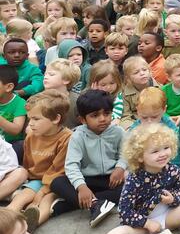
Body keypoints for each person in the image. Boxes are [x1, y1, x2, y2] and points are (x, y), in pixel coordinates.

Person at [103, 124, 180, 234]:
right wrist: (147, 223)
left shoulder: (173, 170)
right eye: (155, 151)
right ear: (139, 156)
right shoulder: (134, 179)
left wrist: (173, 198)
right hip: (142, 224)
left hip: (168, 217)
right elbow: (124, 211)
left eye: (166, 148)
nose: (162, 154)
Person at [49, 90, 126, 226]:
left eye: (107, 113)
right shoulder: (78, 136)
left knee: (127, 190)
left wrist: (120, 168)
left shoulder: (118, 132)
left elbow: (126, 153)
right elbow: (71, 165)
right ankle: (95, 204)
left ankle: (70, 204)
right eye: (95, 115)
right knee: (57, 183)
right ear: (83, 119)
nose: (102, 118)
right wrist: (81, 187)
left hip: (111, 179)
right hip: (88, 179)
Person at [7, 91, 72, 232]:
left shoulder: (67, 138)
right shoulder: (31, 136)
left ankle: (27, 226)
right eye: (30, 119)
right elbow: (29, 164)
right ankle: (5, 221)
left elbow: (59, 170)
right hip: (37, 180)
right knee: (23, 197)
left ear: (55, 119)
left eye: (36, 119)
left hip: (59, 181)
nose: (30, 124)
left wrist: (41, 192)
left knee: (45, 201)